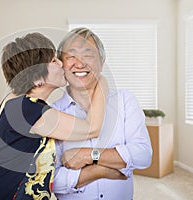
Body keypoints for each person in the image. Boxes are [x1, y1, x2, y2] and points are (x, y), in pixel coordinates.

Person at [0, 32, 108, 200]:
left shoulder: (15, 101)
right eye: (53, 61)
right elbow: (92, 128)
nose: (61, 63)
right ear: (38, 77)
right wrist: (101, 81)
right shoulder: (29, 110)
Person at [52, 27, 153, 200]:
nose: (80, 63)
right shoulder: (52, 113)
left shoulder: (124, 101)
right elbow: (52, 180)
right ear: (61, 64)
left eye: (88, 55)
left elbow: (143, 155)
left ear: (102, 62)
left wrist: (90, 155)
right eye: (71, 56)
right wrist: (100, 170)